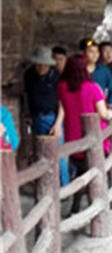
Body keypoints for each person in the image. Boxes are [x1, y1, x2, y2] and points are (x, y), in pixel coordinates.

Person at [58, 53, 111, 191]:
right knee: (97, 170)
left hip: (72, 137)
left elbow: (62, 107)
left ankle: (76, 205)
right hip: (94, 137)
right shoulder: (92, 87)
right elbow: (103, 113)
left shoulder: (62, 87)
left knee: (80, 171)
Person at [23, 45, 68, 185]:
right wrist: (28, 115)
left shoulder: (57, 78)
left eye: (44, 65)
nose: (41, 68)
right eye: (38, 64)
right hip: (37, 117)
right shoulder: (29, 75)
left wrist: (58, 124)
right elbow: (27, 96)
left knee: (58, 154)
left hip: (52, 117)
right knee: (40, 154)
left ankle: (64, 187)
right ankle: (46, 185)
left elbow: (63, 103)